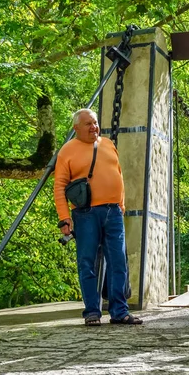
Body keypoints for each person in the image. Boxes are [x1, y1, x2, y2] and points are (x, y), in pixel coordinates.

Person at [54, 108, 142, 326]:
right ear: (76, 128)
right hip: (85, 214)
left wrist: (121, 204)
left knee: (118, 261)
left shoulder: (108, 144)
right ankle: (92, 312)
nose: (94, 127)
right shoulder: (67, 151)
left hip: (113, 212)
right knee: (87, 263)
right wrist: (65, 218)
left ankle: (119, 311)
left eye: (95, 123)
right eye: (88, 124)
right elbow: (59, 186)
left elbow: (118, 173)